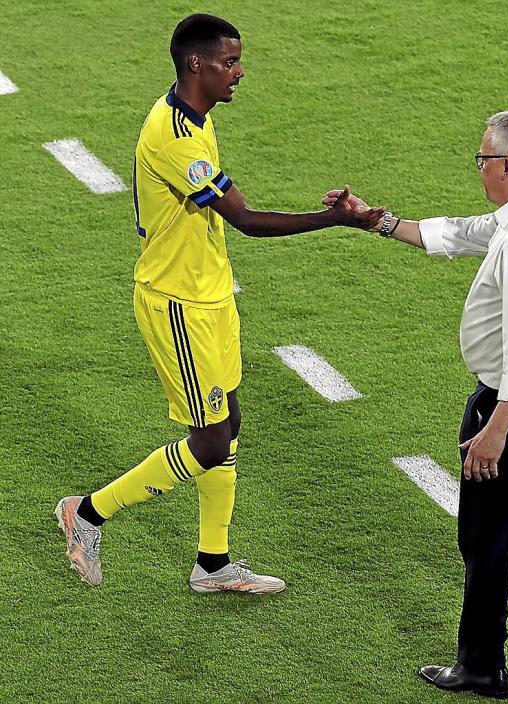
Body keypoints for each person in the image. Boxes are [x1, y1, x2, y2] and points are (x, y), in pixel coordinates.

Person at [55, 13, 383, 594]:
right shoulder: (175, 137)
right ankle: (88, 512)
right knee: (209, 441)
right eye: (229, 61)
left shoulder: (196, 121)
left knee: (227, 425)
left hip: (211, 294)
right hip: (177, 302)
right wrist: (335, 219)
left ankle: (212, 565)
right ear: (195, 64)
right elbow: (247, 220)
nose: (239, 71)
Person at [323, 111, 508, 698]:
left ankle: (482, 664)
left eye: (483, 158)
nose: (479, 167)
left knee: (485, 535)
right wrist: (377, 222)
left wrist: (495, 430)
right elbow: (467, 233)